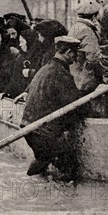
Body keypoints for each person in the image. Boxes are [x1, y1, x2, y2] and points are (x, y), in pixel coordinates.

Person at [21, 36, 87, 180]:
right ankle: (64, 198)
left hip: (29, 129)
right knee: (70, 168)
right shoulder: (61, 74)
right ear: (68, 52)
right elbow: (75, 105)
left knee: (43, 159)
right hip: (44, 133)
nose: (75, 58)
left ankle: (33, 180)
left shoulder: (45, 68)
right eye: (75, 54)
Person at [68, 1, 102, 93]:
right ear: (94, 16)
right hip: (86, 80)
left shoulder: (75, 27)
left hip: (76, 77)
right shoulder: (87, 30)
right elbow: (94, 57)